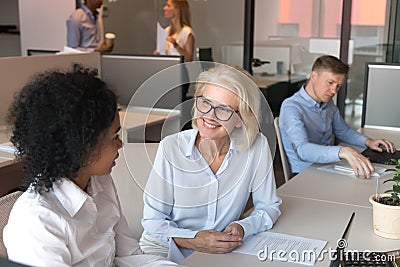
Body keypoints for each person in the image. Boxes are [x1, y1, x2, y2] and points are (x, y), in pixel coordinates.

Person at [3, 65, 177, 267]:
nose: (121, 144)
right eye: (114, 137)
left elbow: (128, 255)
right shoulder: (39, 220)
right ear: (82, 146)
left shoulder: (100, 182)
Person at [139, 64, 282, 263]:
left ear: (241, 118)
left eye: (223, 109)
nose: (209, 116)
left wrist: (243, 227)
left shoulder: (257, 147)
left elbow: (269, 207)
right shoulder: (171, 148)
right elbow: (153, 223)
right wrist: (194, 240)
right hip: (165, 249)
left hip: (220, 254)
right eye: (205, 103)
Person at [279, 55, 395, 178]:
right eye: (330, 83)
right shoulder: (292, 107)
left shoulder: (328, 103)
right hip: (304, 175)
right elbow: (303, 150)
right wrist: (342, 151)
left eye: (338, 86)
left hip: (328, 167)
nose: (334, 91)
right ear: (313, 76)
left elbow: (343, 131)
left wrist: (368, 142)